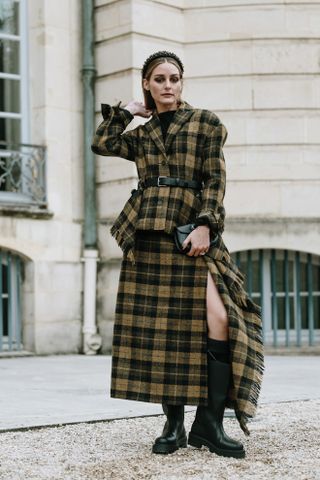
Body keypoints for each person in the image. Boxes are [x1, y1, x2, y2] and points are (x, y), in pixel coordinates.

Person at [92, 51, 264, 458]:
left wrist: (206, 223)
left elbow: (215, 178)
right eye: (159, 79)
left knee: (219, 318)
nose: (168, 85)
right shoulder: (142, 133)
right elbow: (102, 143)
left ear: (182, 83)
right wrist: (128, 112)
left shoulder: (205, 122)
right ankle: (173, 426)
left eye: (174, 78)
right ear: (148, 85)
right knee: (162, 332)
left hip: (190, 232)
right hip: (148, 232)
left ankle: (210, 423)